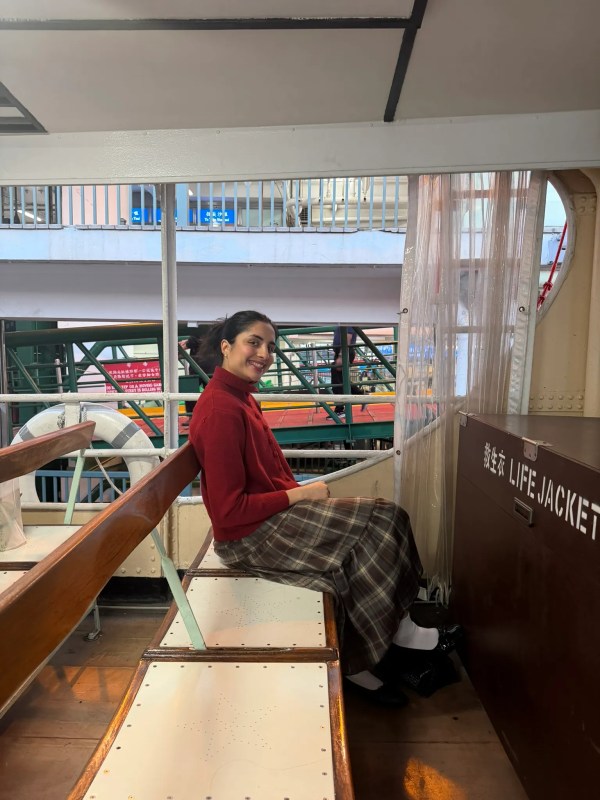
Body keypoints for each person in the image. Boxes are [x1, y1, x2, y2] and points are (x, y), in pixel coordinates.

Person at [188, 310, 460, 708]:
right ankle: (391, 641)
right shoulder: (221, 411)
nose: (264, 353)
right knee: (382, 523)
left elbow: (265, 477)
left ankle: (381, 642)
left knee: (384, 521)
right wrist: (300, 496)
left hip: (268, 520)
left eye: (270, 346)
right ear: (226, 347)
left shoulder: (239, 397)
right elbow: (229, 513)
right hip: (250, 537)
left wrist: (298, 495)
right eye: (253, 342)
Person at [330, 325, 366, 418]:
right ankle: (361, 395)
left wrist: (342, 355)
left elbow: (347, 337)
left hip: (345, 352)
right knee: (342, 379)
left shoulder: (346, 318)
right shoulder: (341, 319)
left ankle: (340, 409)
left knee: (337, 381)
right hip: (342, 352)